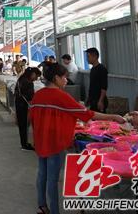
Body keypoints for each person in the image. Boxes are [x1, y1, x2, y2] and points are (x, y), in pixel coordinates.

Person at [30, 63, 125, 214]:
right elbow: (88, 114)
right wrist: (113, 117)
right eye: (64, 77)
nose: (66, 80)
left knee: (42, 174)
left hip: (41, 140)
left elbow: (33, 118)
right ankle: (54, 211)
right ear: (56, 78)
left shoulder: (38, 95)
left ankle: (42, 206)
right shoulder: (61, 96)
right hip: (55, 142)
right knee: (52, 179)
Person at [14, 67, 41, 151]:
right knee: (24, 125)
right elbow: (30, 97)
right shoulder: (28, 83)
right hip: (24, 106)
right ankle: (25, 145)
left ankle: (24, 143)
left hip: (18, 103)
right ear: (33, 74)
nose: (36, 79)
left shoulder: (21, 78)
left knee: (22, 125)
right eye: (36, 76)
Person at [86, 47, 108, 113]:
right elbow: (92, 86)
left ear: (95, 56)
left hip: (99, 100)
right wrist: (88, 99)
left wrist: (101, 101)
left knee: (101, 118)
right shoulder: (92, 69)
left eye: (88, 57)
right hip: (93, 100)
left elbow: (104, 87)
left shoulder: (102, 69)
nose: (87, 59)